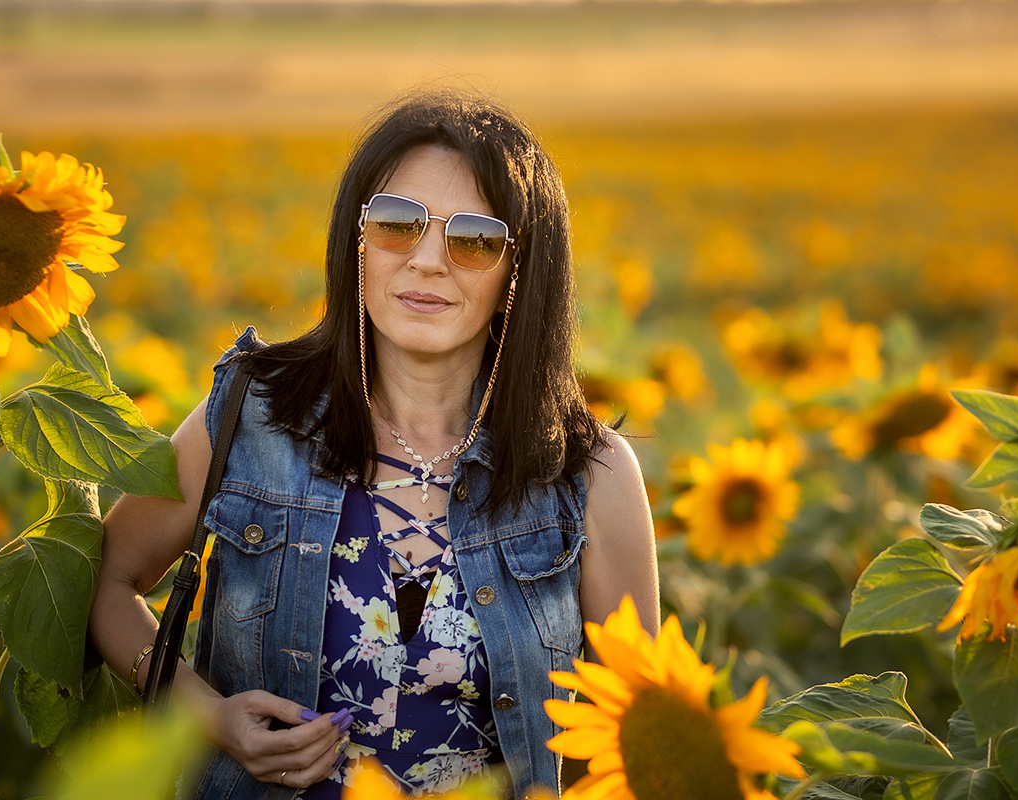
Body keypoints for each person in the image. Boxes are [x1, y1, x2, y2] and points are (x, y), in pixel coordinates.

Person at [89, 90, 660, 799]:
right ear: (356, 241)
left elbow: (635, 734)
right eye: (396, 224)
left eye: (474, 238)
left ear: (519, 272)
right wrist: (209, 716)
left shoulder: (588, 477)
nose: (426, 260)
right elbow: (107, 582)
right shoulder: (249, 417)